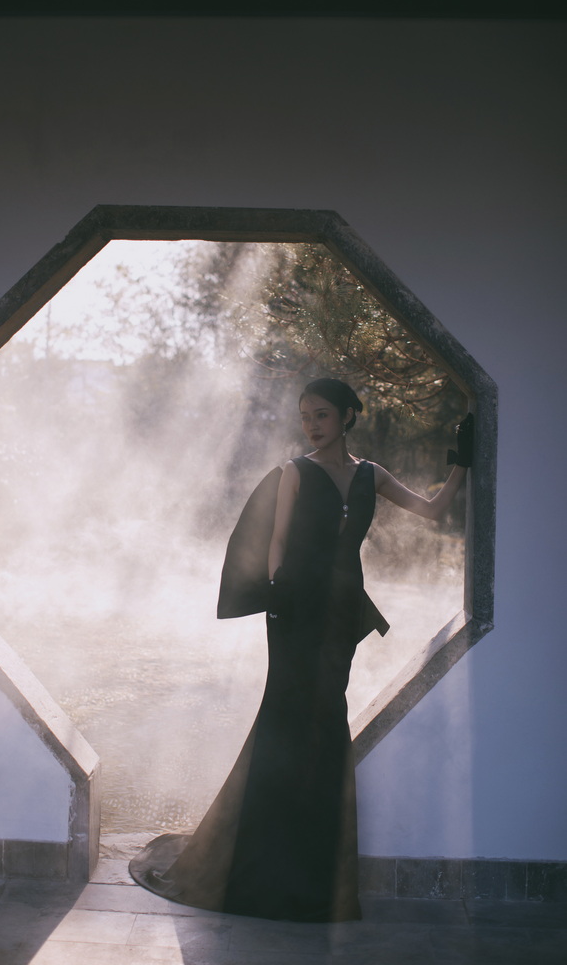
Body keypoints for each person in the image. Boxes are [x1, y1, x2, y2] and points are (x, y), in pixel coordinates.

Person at [129, 378, 473, 922]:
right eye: (305, 416)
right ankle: (259, 869)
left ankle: (315, 876)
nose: (311, 424)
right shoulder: (294, 472)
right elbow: (276, 542)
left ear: (347, 416)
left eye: (322, 414)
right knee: (285, 723)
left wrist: (463, 462)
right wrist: (279, 599)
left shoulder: (372, 474)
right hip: (293, 613)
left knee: (326, 724)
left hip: (341, 614)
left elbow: (431, 510)